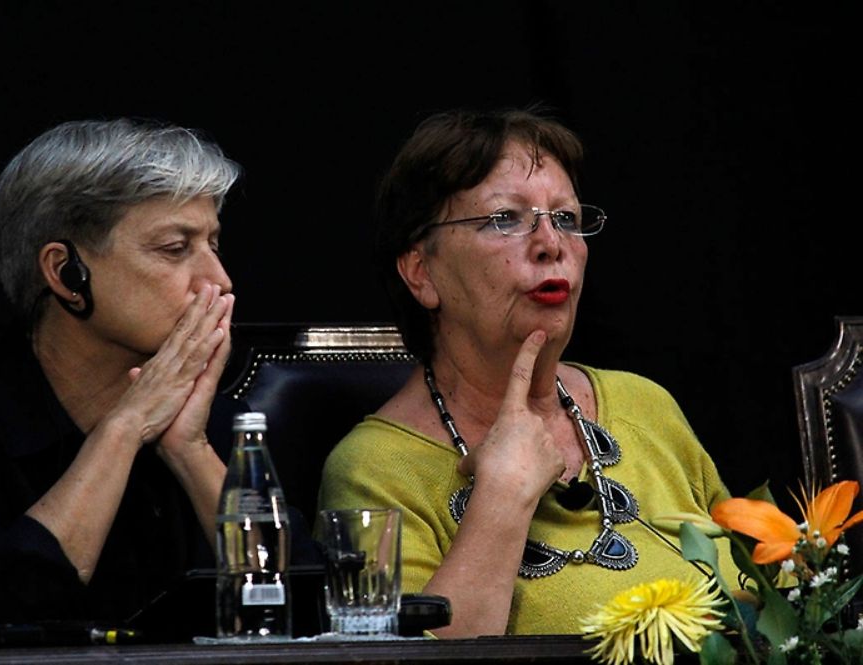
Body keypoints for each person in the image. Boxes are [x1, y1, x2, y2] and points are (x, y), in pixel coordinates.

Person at [0, 118, 317, 647]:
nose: (218, 280)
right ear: (65, 273)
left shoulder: (208, 424)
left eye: (214, 244)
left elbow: (310, 614)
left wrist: (190, 450)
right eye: (175, 248)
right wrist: (123, 428)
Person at [317, 106, 741, 637]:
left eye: (565, 218)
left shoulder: (646, 407)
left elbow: (764, 601)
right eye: (505, 219)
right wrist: (502, 499)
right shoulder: (374, 473)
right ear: (421, 273)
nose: (551, 244)